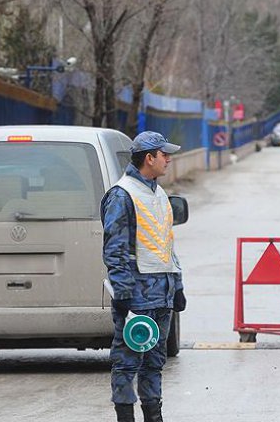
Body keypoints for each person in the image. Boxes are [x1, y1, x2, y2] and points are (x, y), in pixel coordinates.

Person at [101, 131, 186, 422]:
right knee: (126, 363)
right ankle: (125, 416)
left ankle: (154, 416)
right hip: (136, 297)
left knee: (154, 362)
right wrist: (123, 293)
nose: (169, 159)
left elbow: (167, 243)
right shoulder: (121, 195)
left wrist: (177, 286)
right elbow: (115, 249)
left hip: (161, 294)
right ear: (148, 158)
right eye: (164, 155)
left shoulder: (159, 193)